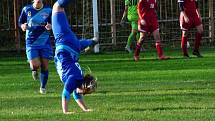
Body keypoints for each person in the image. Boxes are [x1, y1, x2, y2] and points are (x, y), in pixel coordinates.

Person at [52, 0, 97, 114]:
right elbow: (65, 94)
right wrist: (65, 111)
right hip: (65, 44)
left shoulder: (78, 79)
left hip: (75, 47)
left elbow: (76, 95)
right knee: (57, 6)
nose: (84, 93)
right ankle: (90, 42)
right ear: (83, 85)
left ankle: (91, 41)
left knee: (60, 8)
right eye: (85, 92)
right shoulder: (74, 79)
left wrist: (85, 109)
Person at [18, 0, 53, 94]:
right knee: (35, 64)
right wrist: (23, 26)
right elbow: (20, 22)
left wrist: (51, 26)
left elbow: (54, 23)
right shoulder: (26, 9)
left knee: (45, 65)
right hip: (31, 41)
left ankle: (43, 87)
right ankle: (34, 69)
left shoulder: (49, 10)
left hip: (44, 41)